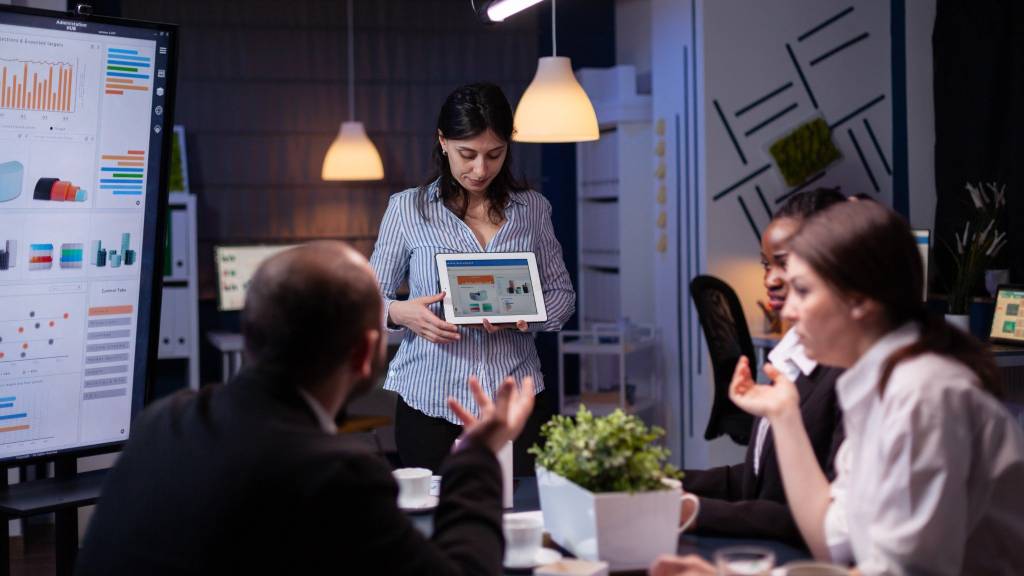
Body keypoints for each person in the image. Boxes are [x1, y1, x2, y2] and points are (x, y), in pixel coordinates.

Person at [77, 242, 536, 575]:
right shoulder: (337, 473)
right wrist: (477, 453)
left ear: (252, 334)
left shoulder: (164, 421)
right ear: (364, 354)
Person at [656, 201, 1024, 575]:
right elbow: (833, 541)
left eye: (802, 290)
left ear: (860, 300)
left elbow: (902, 571)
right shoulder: (872, 384)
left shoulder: (924, 394)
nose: (787, 312)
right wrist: (783, 415)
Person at [370, 83, 575, 470]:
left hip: (515, 400)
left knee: (519, 512)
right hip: (430, 399)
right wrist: (400, 313)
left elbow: (562, 294)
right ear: (443, 142)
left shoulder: (532, 209)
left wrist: (527, 315)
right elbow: (365, 298)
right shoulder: (406, 210)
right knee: (435, 517)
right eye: (468, 154)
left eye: (494, 155)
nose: (480, 169)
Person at [680, 188, 846, 547]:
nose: (770, 279)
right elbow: (759, 481)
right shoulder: (784, 360)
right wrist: (663, 483)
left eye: (785, 265)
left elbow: (829, 525)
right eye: (767, 264)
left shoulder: (851, 379)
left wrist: (692, 510)